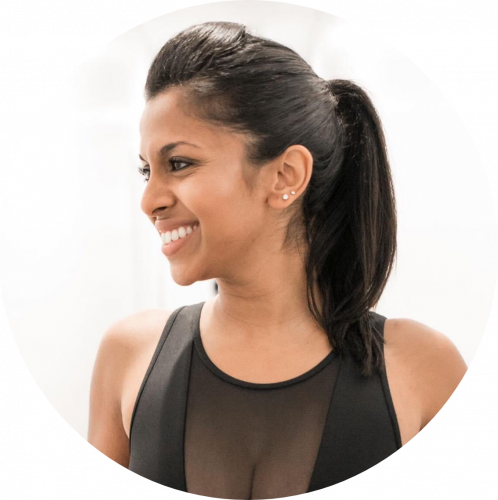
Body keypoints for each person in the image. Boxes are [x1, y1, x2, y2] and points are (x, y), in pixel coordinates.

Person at [88, 21, 468, 494]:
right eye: (147, 171)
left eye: (179, 164)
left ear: (286, 175)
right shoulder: (128, 356)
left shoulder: (423, 369)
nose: (149, 201)